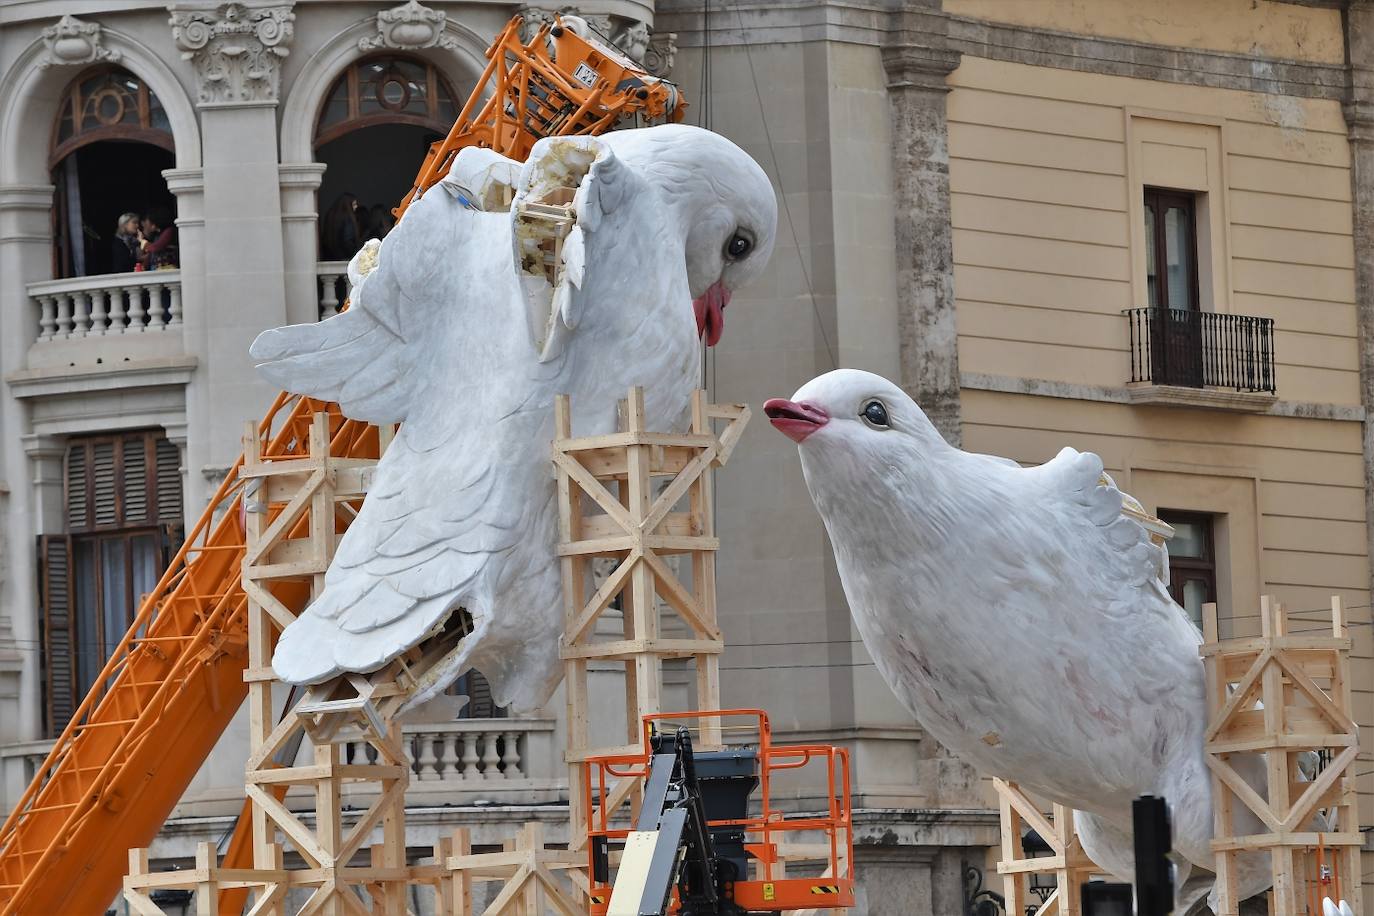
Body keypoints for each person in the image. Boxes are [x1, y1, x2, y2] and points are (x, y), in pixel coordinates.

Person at [320, 192, 363, 261]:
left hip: (331, 257)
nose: (356, 207)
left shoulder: (331, 218)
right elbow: (348, 241)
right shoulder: (348, 219)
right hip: (346, 258)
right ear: (348, 204)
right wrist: (355, 254)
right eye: (354, 204)